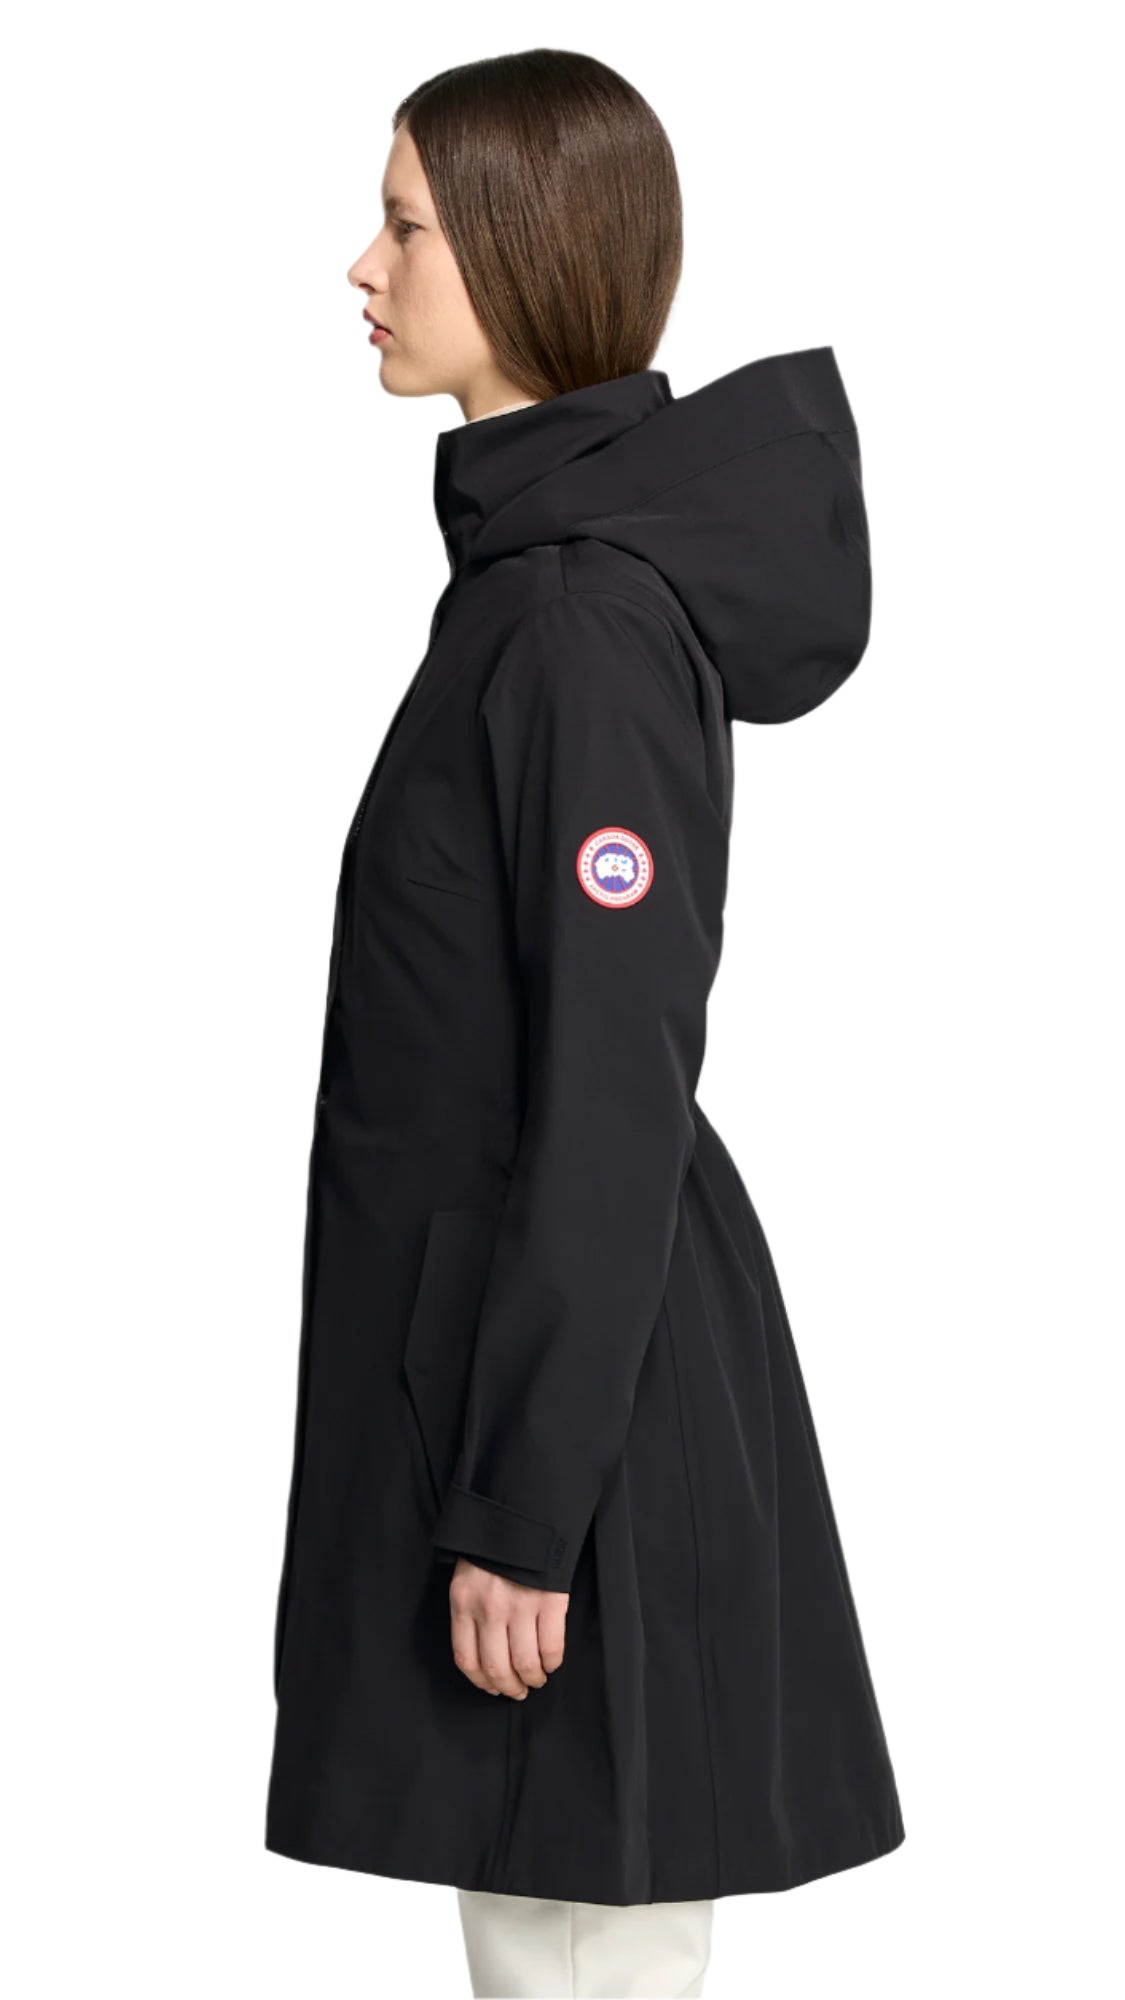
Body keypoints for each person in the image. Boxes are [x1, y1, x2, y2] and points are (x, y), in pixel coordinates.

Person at [264, 47, 905, 2000]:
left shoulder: (573, 626)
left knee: (575, 1966)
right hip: (526, 1395)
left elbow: (614, 1082)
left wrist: (525, 1511)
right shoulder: (524, 596)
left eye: (402, 227)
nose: (359, 268)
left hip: (576, 1433)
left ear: (521, 250)